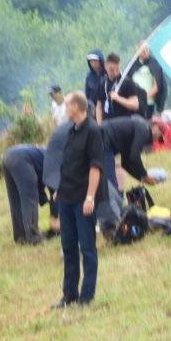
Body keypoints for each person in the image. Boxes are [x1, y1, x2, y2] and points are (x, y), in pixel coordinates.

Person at [54, 92, 103, 309]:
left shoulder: (93, 131)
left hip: (83, 199)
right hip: (66, 196)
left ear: (76, 106)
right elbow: (69, 163)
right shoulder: (71, 131)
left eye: (67, 105)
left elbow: (95, 167)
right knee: (68, 246)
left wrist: (90, 197)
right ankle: (69, 294)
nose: (65, 108)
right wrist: (59, 190)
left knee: (87, 247)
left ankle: (87, 296)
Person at [2, 143, 48, 246]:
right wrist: (54, 214)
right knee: (30, 198)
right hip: (22, 159)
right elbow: (55, 193)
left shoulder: (45, 153)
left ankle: (21, 236)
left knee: (16, 200)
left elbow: (41, 181)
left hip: (8, 155)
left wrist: (44, 200)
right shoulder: (58, 162)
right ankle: (34, 237)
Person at [124, 42, 167, 119]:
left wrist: (142, 99)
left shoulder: (154, 64)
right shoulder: (133, 64)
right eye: (143, 50)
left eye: (147, 49)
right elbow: (127, 80)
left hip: (147, 103)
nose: (145, 52)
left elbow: (156, 86)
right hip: (133, 102)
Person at [103, 54, 144, 119]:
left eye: (117, 69)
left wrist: (118, 98)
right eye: (112, 69)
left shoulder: (127, 82)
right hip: (106, 122)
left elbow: (135, 105)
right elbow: (99, 105)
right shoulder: (103, 81)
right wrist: (99, 125)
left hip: (123, 122)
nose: (115, 72)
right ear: (105, 66)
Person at [84, 50, 108, 123]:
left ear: (100, 61)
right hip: (92, 109)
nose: (93, 64)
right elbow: (87, 94)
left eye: (95, 61)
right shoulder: (89, 76)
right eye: (91, 62)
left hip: (105, 109)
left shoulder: (107, 75)